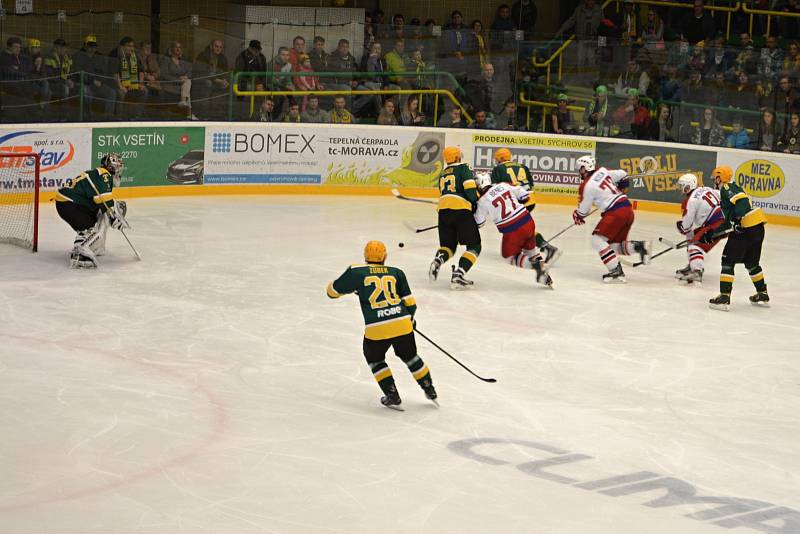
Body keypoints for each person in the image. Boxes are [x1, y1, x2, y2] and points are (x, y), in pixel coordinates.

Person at [326, 241, 437, 409]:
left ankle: (392, 394)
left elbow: (332, 292)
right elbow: (411, 304)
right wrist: (410, 319)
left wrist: (353, 288)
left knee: (375, 359)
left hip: (376, 328)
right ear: (385, 256)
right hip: (402, 323)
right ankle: (429, 389)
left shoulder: (356, 272)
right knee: (411, 357)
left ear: (365, 256)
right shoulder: (396, 273)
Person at [572, 155, 651, 282]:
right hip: (627, 209)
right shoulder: (602, 171)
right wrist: (622, 187)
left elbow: (583, 210)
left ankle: (616, 271)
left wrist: (577, 215)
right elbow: (623, 174)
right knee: (614, 246)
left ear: (584, 168)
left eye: (580, 169)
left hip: (615, 212)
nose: (579, 172)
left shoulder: (586, 186)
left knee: (597, 240)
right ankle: (640, 246)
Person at [704, 166, 769, 311]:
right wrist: (712, 234)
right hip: (757, 227)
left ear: (720, 177)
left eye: (715, 177)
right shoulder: (730, 190)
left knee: (727, 261)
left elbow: (742, 202)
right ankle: (762, 293)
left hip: (746, 228)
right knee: (752, 262)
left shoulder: (727, 187)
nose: (714, 180)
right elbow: (728, 223)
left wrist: (737, 218)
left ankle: (724, 297)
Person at [473, 173, 553, 287]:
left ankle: (539, 266)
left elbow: (479, 223)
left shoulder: (482, 201)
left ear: (480, 185)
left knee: (509, 256)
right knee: (531, 250)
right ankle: (544, 276)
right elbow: (525, 195)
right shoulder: (503, 185)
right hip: (528, 221)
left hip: (513, 229)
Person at [54, 153, 129, 269]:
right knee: (94, 224)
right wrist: (114, 217)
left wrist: (113, 215)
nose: (119, 170)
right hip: (69, 203)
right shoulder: (104, 174)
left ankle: (83, 246)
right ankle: (80, 255)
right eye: (117, 166)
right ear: (110, 167)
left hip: (66, 203)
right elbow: (104, 200)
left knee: (93, 221)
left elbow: (101, 202)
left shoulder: (99, 174)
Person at [490, 148, 561, 265]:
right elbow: (531, 185)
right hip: (529, 199)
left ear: (499, 159)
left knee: (514, 226)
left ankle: (545, 247)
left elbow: (495, 189)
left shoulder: (498, 169)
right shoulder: (523, 166)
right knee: (522, 227)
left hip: (517, 202)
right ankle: (543, 247)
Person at [429, 146, 481, 289]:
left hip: (443, 211)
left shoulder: (443, 174)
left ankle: (438, 260)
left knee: (448, 247)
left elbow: (444, 193)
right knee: (474, 246)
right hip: (461, 210)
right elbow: (470, 191)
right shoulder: (464, 168)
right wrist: (475, 201)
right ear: (458, 157)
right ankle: (459, 274)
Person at [673, 173, 724, 283]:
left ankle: (696, 272)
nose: (681, 188)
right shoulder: (705, 189)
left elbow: (686, 226)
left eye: (682, 186)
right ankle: (693, 264)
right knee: (692, 236)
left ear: (688, 186)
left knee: (694, 244)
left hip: (716, 224)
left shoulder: (691, 200)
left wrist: (681, 227)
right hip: (721, 220)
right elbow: (722, 194)